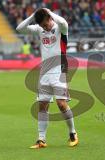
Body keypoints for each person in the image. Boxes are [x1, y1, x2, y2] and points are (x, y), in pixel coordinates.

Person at [16, 8, 78, 149]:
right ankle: (41, 139)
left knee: (61, 104)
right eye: (42, 25)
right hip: (45, 72)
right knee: (42, 105)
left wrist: (49, 12)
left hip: (60, 70)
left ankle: (72, 133)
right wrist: (33, 15)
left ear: (50, 18)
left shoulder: (61, 27)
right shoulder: (39, 29)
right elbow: (20, 29)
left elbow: (62, 21)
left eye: (45, 24)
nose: (44, 27)